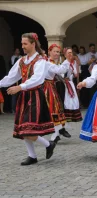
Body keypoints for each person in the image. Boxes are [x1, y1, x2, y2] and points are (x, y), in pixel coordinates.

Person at [0, 33, 56, 165]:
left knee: (27, 129)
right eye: (22, 43)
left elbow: (37, 79)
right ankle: (33, 155)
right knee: (24, 128)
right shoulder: (21, 61)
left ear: (33, 44)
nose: (23, 46)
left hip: (35, 95)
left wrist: (20, 87)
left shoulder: (41, 61)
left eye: (25, 44)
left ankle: (48, 144)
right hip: (24, 95)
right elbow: (11, 77)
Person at [46, 44, 71, 143]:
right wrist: (67, 60)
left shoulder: (53, 62)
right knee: (52, 110)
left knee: (55, 109)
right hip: (46, 87)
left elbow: (61, 73)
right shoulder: (47, 62)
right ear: (49, 52)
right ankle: (58, 131)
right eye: (55, 51)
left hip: (51, 87)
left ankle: (57, 132)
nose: (56, 53)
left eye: (58, 52)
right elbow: (60, 70)